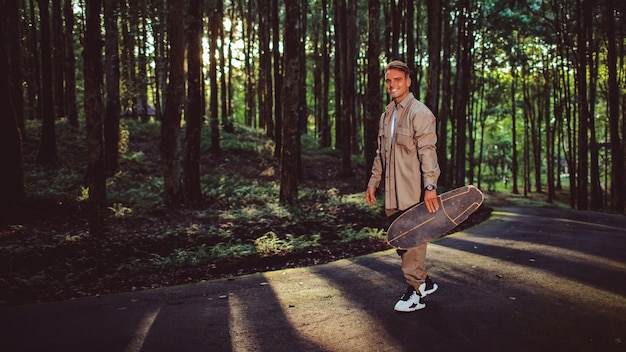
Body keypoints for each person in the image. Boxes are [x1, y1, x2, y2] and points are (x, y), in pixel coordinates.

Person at [366, 60, 441, 312]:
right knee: (402, 241)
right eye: (388, 80)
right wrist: (373, 181)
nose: (392, 84)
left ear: (408, 81)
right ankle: (425, 280)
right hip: (392, 192)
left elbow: (428, 151)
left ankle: (415, 292)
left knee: (413, 239)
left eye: (397, 79)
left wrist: (430, 186)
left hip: (413, 191)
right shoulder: (387, 115)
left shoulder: (420, 113)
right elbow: (381, 153)